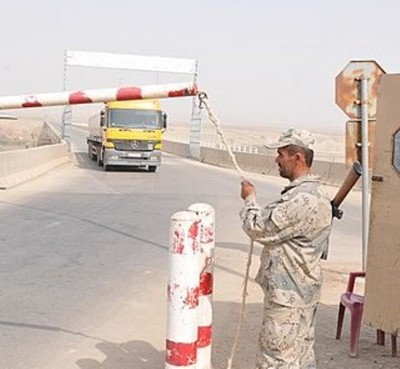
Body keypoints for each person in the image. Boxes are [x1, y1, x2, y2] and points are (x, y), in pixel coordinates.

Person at [239, 128, 332, 369]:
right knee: (301, 358)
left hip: (288, 300)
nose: (277, 159)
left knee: (276, 361)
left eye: (281, 154)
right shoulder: (319, 194)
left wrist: (249, 199)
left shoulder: (301, 200)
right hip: (304, 295)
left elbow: (258, 227)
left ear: (298, 157)